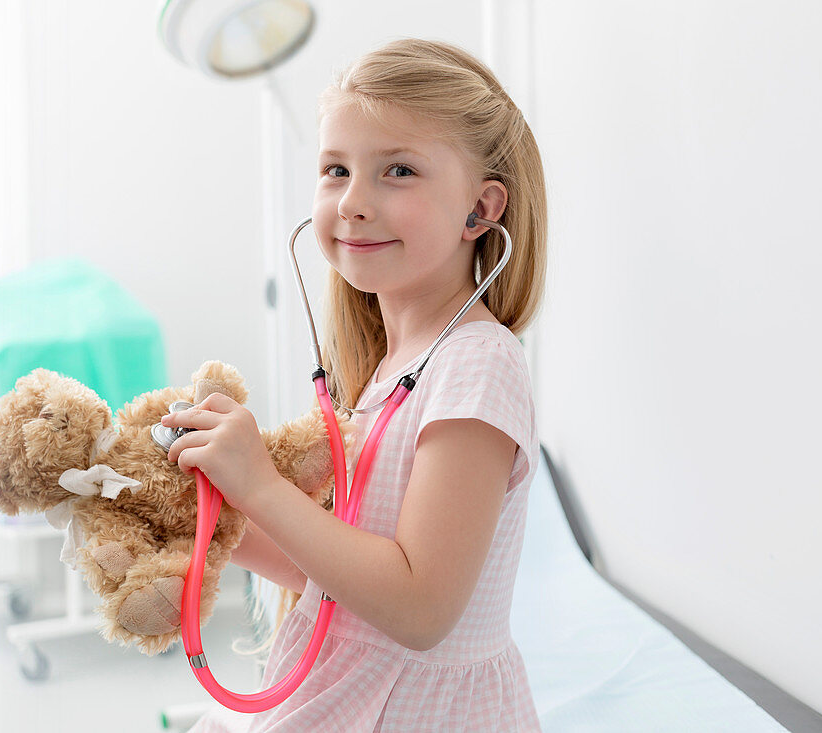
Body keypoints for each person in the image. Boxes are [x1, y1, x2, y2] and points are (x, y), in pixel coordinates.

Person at [167, 37, 547, 732]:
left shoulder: (477, 364)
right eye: (335, 169)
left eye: (397, 170)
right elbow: (336, 575)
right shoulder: (388, 365)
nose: (353, 202)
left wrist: (261, 484)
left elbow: (419, 606)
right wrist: (210, 509)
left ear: (480, 210)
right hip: (339, 700)